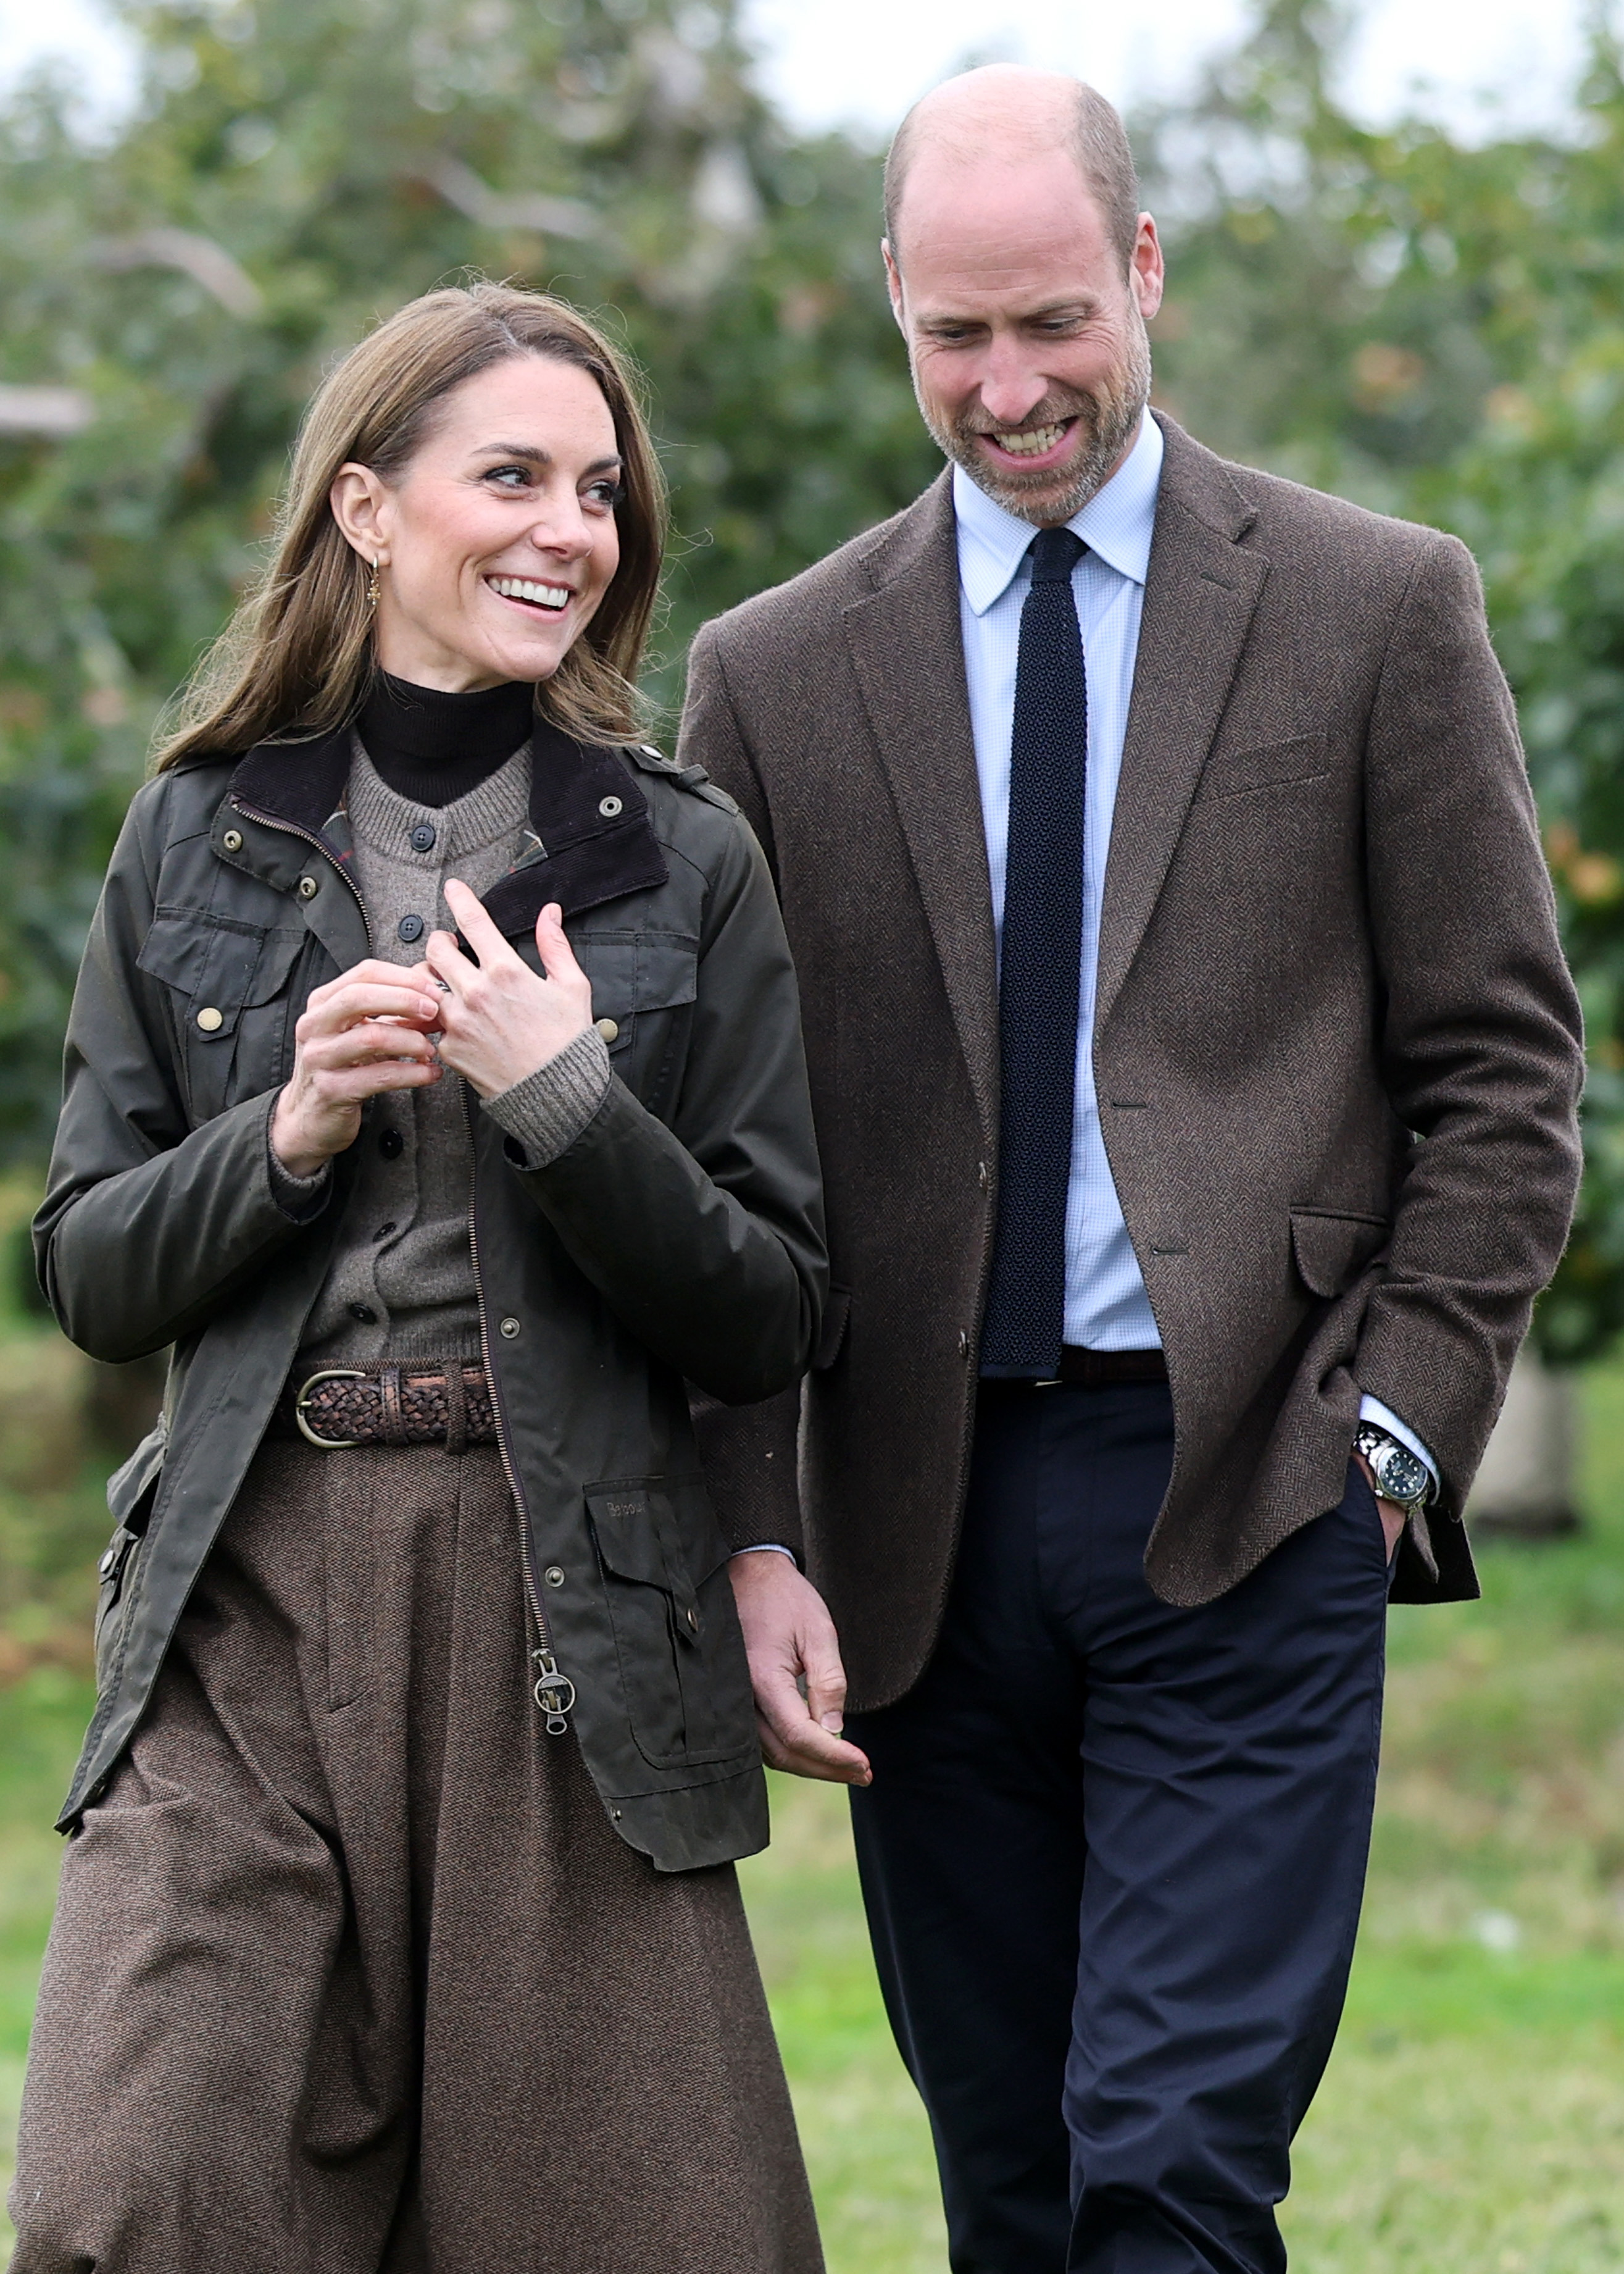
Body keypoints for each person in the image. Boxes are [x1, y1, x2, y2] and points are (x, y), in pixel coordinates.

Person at [678, 64, 1585, 2274]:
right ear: (889, 307)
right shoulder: (773, 676)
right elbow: (716, 1157)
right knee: (1013, 2185)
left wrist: (1387, 1435)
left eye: (1056, 320)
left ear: (1147, 272)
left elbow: (1503, 1070)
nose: (1011, 387)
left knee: (1170, 2164)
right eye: (957, 333)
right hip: (913, 1535)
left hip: (1252, 1492)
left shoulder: (1380, 607)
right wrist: (754, 1527)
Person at [10, 283, 827, 2274]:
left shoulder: (686, 860)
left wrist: (572, 1104)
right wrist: (280, 1139)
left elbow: (772, 1304)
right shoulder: (191, 833)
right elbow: (89, 1270)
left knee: (637, 2232)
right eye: (515, 477)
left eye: (600, 491)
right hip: (248, 1594)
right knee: (134, 2193)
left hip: (566, 1602)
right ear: (369, 512)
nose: (573, 529)